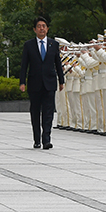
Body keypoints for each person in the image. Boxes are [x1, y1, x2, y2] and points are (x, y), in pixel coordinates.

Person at [19, 17, 65, 149]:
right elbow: (24, 65)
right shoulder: (29, 45)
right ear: (35, 29)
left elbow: (58, 63)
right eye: (39, 26)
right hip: (34, 83)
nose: (41, 28)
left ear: (47, 29)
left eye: (44, 26)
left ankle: (46, 139)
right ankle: (36, 139)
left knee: (48, 112)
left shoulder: (53, 44)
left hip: (50, 83)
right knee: (35, 111)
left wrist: (61, 81)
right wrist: (22, 82)